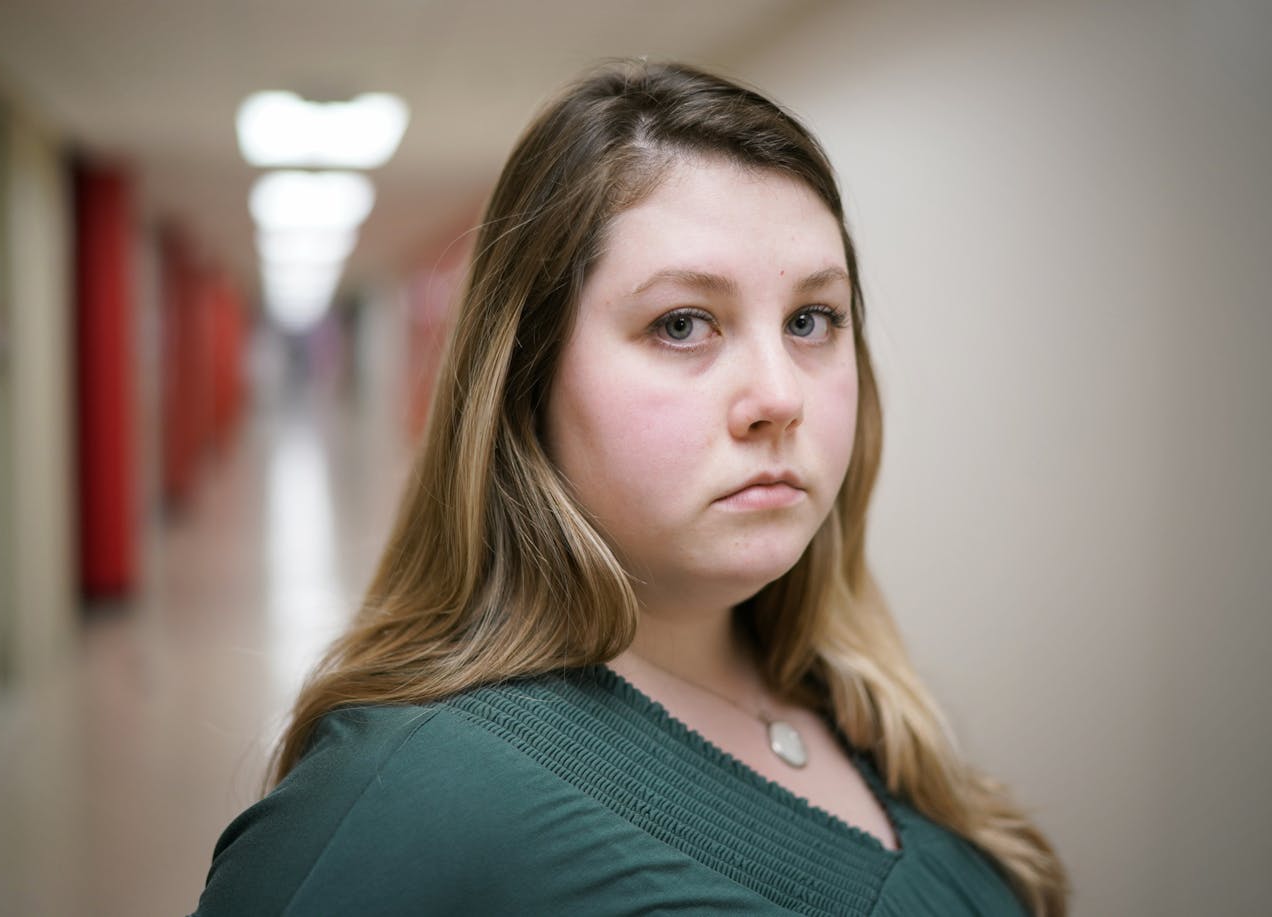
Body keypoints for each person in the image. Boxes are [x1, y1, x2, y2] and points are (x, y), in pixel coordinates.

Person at [192, 60, 1067, 916]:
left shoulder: (865, 704)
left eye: (812, 319)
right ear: (526, 382)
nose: (778, 396)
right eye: (683, 324)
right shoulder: (402, 792)